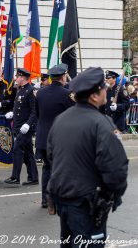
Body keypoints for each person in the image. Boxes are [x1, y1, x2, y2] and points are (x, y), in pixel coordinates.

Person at [47, 67, 128, 247]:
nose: (106, 90)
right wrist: (112, 195)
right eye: (103, 88)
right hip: (88, 204)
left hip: (64, 199)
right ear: (94, 95)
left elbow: (52, 157)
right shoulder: (102, 123)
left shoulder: (61, 119)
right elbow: (116, 167)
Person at [35, 64, 75, 210]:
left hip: (43, 137)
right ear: (63, 76)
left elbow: (38, 114)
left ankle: (45, 199)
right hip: (60, 138)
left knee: (47, 168)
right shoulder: (67, 94)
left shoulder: (40, 93)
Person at [4, 68, 38, 186]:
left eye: (17, 77)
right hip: (19, 126)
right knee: (28, 152)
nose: (15, 78)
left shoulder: (31, 90)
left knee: (17, 149)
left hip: (26, 128)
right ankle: (33, 177)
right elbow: (20, 108)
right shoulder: (20, 90)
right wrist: (12, 113)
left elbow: (35, 111)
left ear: (23, 78)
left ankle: (15, 177)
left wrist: (28, 124)